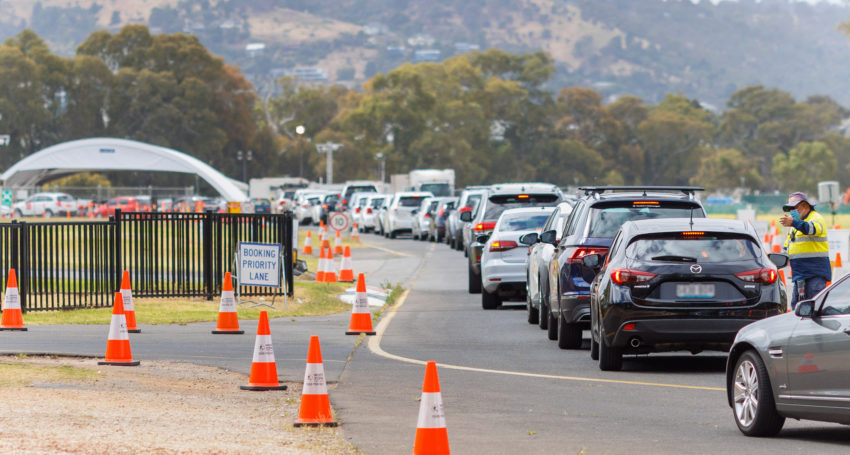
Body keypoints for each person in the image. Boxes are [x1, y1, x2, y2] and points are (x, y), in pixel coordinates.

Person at [780, 192, 830, 309]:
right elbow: (787, 247)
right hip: (799, 276)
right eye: (790, 208)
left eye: (794, 207)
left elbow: (811, 229)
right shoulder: (795, 227)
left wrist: (794, 222)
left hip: (814, 275)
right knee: (797, 309)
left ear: (805, 206)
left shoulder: (816, 218)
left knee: (814, 308)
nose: (792, 211)